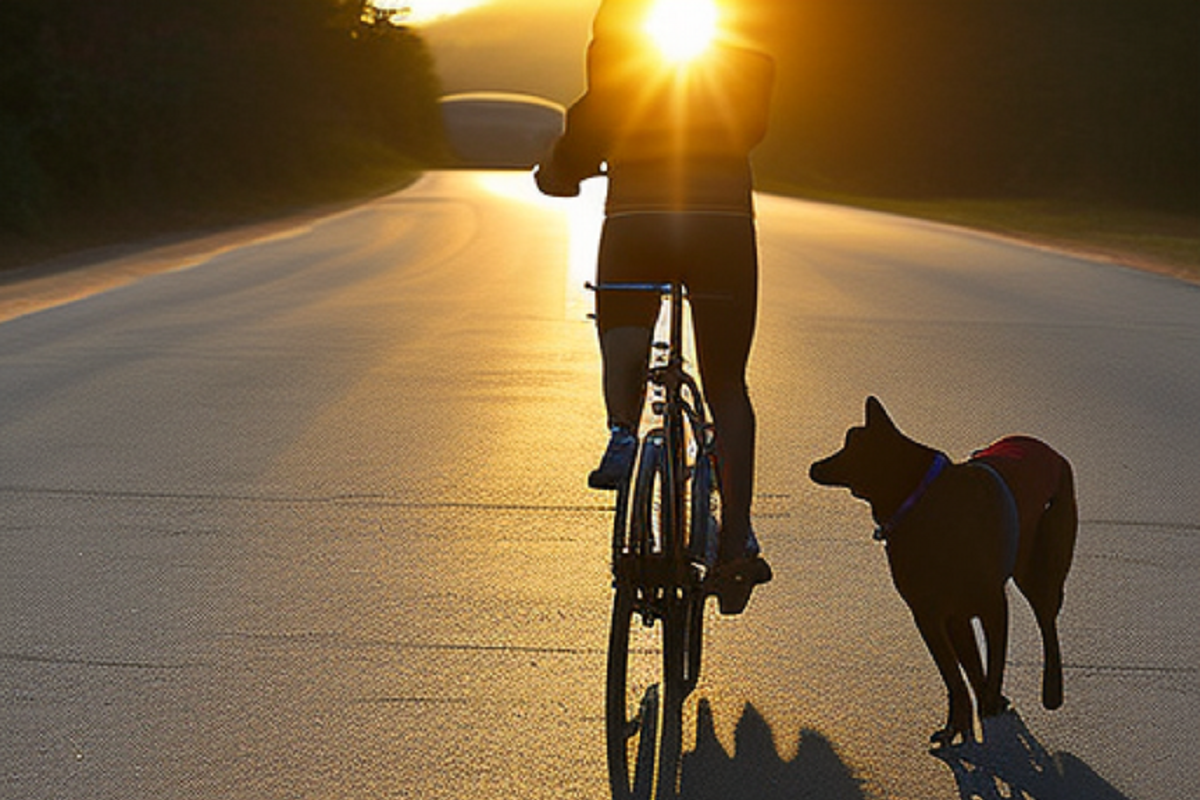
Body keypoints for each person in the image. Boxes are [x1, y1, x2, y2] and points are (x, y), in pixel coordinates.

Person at [535, 0, 773, 615]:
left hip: (638, 221)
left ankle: (621, 432)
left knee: (623, 321)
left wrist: (558, 173)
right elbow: (749, 130)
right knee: (727, 383)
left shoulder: (612, 73)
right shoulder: (749, 64)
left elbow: (579, 145)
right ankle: (735, 543)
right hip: (721, 228)